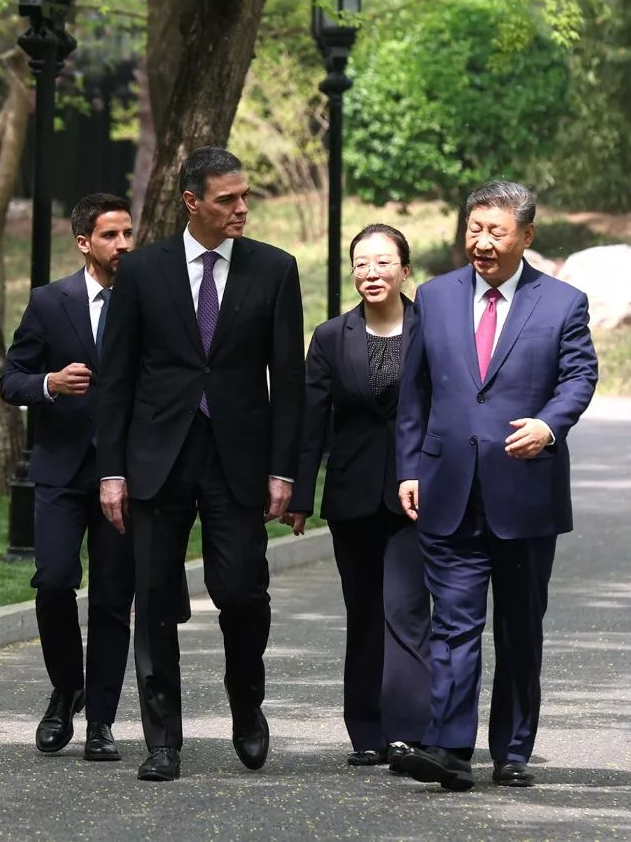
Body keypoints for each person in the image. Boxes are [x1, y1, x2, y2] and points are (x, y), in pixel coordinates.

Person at [94, 146, 305, 782]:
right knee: (154, 598)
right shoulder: (144, 271)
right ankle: (163, 741)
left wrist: (283, 471)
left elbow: (288, 382)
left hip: (237, 460)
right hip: (157, 459)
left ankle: (247, 706)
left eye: (245, 197)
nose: (241, 208)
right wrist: (111, 470)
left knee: (240, 591)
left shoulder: (274, 270)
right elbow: (117, 379)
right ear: (193, 202)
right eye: (227, 199)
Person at [395, 180, 597, 790]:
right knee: (454, 624)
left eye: (496, 232)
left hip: (525, 491)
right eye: (474, 230)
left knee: (518, 627)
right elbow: (416, 394)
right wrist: (409, 467)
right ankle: (452, 750)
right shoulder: (433, 296)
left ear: (526, 236)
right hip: (447, 487)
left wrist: (549, 424)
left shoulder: (562, 302)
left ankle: (512, 750)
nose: (481, 243)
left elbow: (579, 376)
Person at [283, 224, 431, 770]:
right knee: (363, 612)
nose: (372, 273)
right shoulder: (330, 337)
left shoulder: (432, 327)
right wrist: (299, 494)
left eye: (384, 263)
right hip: (351, 495)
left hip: (417, 495)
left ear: (405, 269)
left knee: (407, 609)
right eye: (362, 264)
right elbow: (311, 420)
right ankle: (366, 731)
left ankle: (409, 731)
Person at [0, 192, 138, 762]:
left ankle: (100, 720)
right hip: (58, 470)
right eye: (111, 235)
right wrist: (49, 385)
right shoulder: (48, 302)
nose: (123, 244)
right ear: (85, 243)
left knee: (110, 598)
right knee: (54, 580)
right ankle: (66, 688)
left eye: (128, 233)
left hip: (123, 474)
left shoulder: (148, 299)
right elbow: (11, 380)